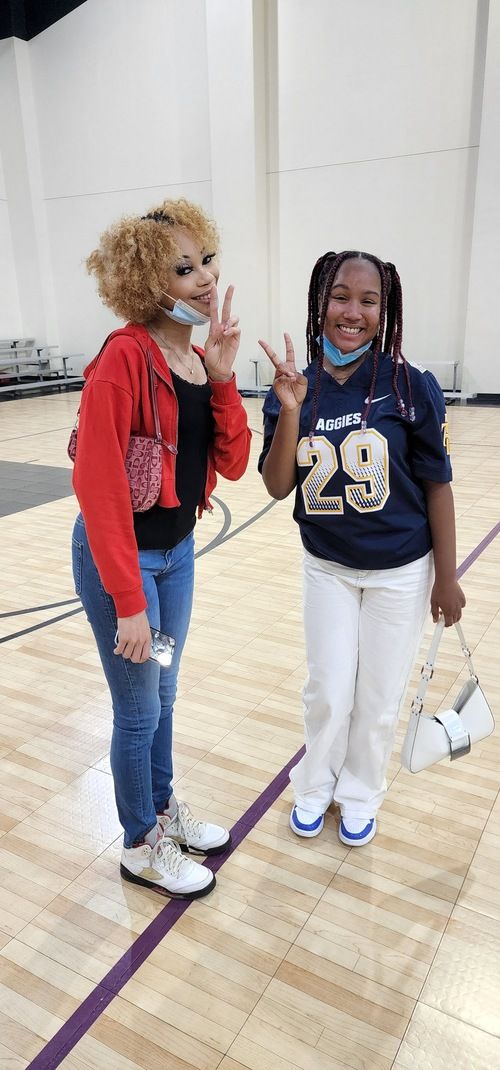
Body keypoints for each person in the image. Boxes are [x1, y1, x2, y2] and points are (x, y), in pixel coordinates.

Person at [71, 199, 251, 897]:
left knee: (165, 693)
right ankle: (140, 842)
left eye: (206, 260)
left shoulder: (199, 360)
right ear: (147, 282)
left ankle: (162, 806)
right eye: (183, 270)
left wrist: (225, 377)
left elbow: (232, 464)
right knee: (139, 709)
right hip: (123, 564)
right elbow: (98, 488)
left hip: (176, 558)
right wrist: (128, 603)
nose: (204, 279)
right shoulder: (123, 358)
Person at [258, 250, 465, 847]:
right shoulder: (294, 386)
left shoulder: (410, 385)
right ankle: (313, 785)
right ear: (320, 302)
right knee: (327, 690)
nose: (353, 311)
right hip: (327, 568)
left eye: (368, 300)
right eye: (341, 296)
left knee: (377, 699)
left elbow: (437, 485)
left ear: (384, 309)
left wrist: (446, 577)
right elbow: (276, 486)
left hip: (400, 571)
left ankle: (360, 793)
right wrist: (291, 411)